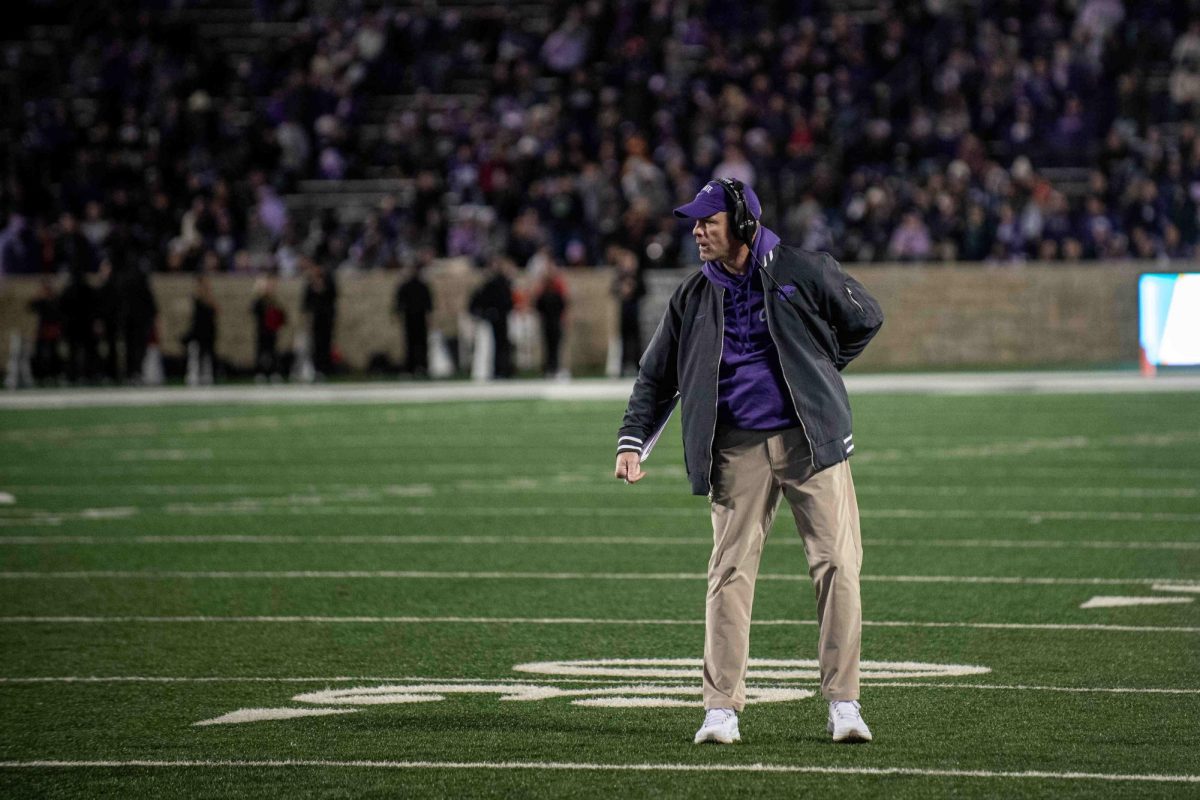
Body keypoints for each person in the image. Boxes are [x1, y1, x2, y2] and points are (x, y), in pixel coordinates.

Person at [614, 179, 884, 745]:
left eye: (708, 221)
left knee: (838, 563)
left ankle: (844, 701)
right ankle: (720, 708)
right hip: (734, 447)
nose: (697, 230)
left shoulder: (803, 269)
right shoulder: (692, 295)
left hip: (810, 441)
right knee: (729, 573)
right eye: (696, 221)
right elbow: (656, 374)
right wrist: (632, 441)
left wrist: (821, 368)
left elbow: (865, 317)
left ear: (740, 222)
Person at [468, 258, 515, 379]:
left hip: (498, 317)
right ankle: (499, 369)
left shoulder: (498, 283)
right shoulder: (493, 284)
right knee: (495, 345)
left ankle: (502, 369)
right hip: (494, 318)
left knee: (501, 344)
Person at [394, 254, 434, 377]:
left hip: (419, 318)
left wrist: (429, 317)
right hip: (409, 318)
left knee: (421, 344)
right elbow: (399, 303)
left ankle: (422, 367)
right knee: (410, 344)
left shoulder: (422, 286)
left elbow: (428, 304)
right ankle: (410, 368)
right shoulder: (405, 286)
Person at [533, 261, 569, 377]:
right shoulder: (544, 291)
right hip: (549, 321)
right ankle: (550, 368)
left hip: (554, 321)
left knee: (554, 347)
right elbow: (538, 305)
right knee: (549, 347)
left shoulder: (556, 289)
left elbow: (564, 304)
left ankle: (553, 368)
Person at [302, 261, 338, 377]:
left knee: (326, 344)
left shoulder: (329, 281)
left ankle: (326, 368)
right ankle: (316, 369)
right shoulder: (310, 284)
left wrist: (322, 288)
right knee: (316, 344)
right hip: (315, 319)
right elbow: (305, 303)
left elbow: (334, 296)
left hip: (326, 318)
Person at [251, 274, 287, 381]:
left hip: (272, 331)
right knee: (261, 352)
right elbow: (253, 311)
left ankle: (274, 372)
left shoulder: (275, 300)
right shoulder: (259, 301)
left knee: (273, 352)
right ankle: (260, 372)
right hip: (262, 330)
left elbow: (281, 315)